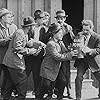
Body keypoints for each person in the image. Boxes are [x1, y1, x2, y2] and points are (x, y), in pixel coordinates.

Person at [35, 23, 78, 100]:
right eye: (60, 33)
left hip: (56, 68)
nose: (62, 35)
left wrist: (72, 49)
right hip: (48, 69)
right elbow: (57, 57)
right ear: (54, 34)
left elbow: (65, 51)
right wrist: (70, 54)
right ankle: (39, 97)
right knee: (46, 87)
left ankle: (59, 97)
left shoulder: (59, 42)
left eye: (62, 33)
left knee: (63, 81)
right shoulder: (50, 44)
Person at [2, 16, 40, 100]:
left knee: (10, 83)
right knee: (22, 84)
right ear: (29, 27)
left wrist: (33, 45)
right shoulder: (20, 33)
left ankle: (6, 97)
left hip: (11, 62)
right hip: (14, 63)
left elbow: (22, 45)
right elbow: (17, 48)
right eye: (33, 26)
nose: (34, 27)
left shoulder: (24, 33)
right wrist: (30, 51)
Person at [74, 20, 100, 100]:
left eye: (87, 30)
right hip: (82, 60)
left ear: (92, 28)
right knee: (78, 77)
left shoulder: (97, 37)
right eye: (83, 29)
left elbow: (99, 49)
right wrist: (75, 47)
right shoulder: (79, 34)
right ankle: (78, 97)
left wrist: (90, 50)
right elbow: (75, 43)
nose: (84, 31)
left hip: (92, 60)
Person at [25, 9, 46, 96]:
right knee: (25, 73)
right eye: (41, 18)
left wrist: (39, 49)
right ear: (37, 19)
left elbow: (44, 41)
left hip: (38, 56)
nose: (43, 20)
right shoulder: (31, 28)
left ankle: (37, 94)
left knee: (37, 75)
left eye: (43, 18)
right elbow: (27, 41)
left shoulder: (44, 29)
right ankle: (19, 92)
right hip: (30, 54)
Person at [54, 10, 75, 99]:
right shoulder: (54, 26)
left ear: (65, 18)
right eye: (58, 18)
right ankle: (57, 92)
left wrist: (69, 30)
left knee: (66, 73)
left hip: (66, 53)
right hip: (57, 52)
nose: (60, 19)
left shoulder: (68, 27)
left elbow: (73, 39)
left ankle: (69, 92)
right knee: (57, 73)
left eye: (62, 18)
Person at [0, 8, 17, 94]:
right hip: (0, 56)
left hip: (10, 57)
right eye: (8, 17)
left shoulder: (14, 27)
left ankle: (4, 92)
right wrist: (6, 40)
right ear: (2, 18)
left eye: (11, 17)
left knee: (8, 76)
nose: (11, 18)